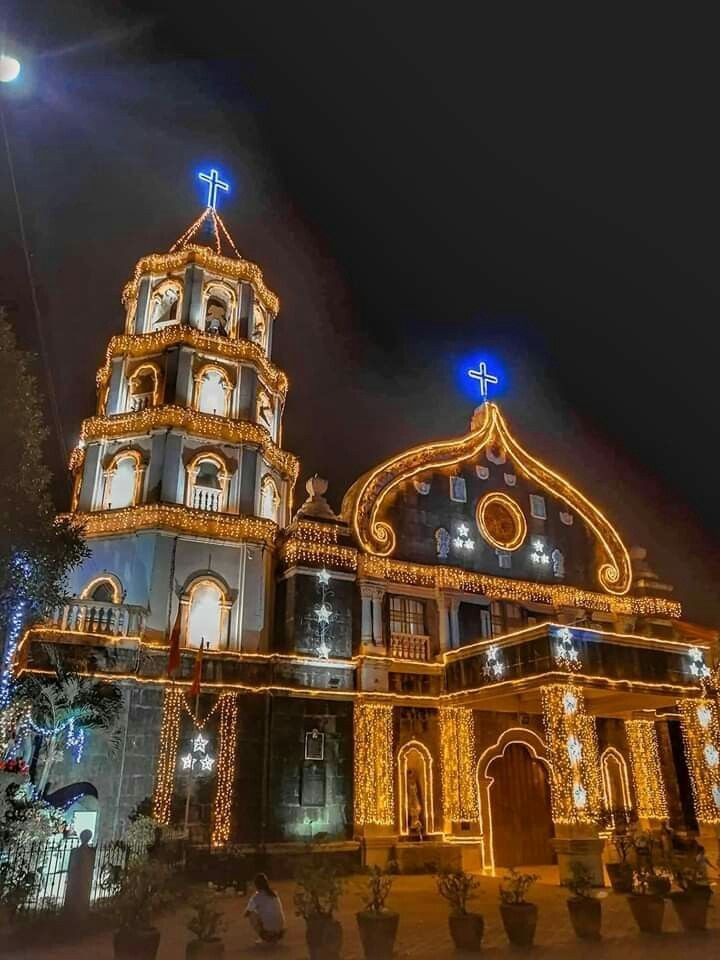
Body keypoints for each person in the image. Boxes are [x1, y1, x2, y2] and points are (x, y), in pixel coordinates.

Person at [244, 873, 286, 944]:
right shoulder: (274, 894)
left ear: (256, 885)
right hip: (280, 928)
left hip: (268, 930)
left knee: (252, 915)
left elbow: (246, 913)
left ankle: (264, 936)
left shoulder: (256, 897)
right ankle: (274, 935)